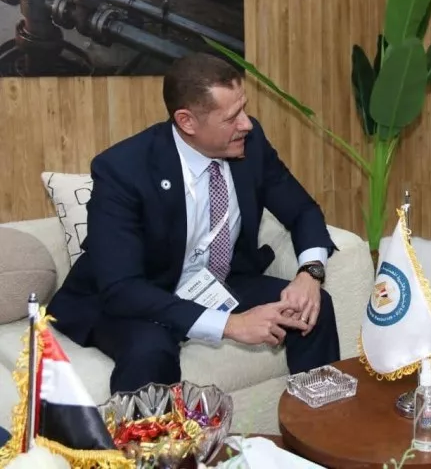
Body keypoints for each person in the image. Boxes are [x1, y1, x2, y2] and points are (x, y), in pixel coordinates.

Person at [47, 52, 340, 395]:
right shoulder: (123, 169)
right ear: (187, 122)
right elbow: (123, 288)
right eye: (231, 117)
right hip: (139, 293)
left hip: (215, 280)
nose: (246, 123)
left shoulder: (250, 143)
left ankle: (314, 420)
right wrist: (231, 325)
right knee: (149, 353)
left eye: (244, 109)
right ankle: (152, 434)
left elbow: (302, 210)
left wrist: (310, 274)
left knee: (311, 309)